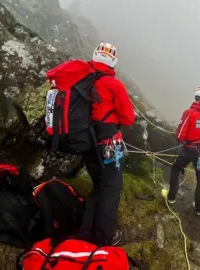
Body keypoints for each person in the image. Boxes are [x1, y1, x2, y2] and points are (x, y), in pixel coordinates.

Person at [49, 42, 135, 246]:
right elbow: (129, 118)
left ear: (95, 57)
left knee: (99, 184)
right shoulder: (113, 84)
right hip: (109, 143)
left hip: (87, 140)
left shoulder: (80, 78)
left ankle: (86, 232)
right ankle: (105, 236)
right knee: (111, 188)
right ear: (113, 62)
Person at [161, 86, 200, 216]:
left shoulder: (189, 112)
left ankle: (171, 197)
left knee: (176, 168)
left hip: (189, 149)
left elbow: (180, 135)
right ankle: (199, 207)